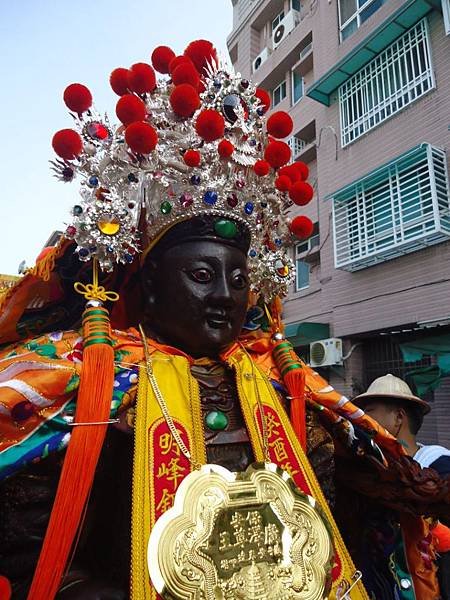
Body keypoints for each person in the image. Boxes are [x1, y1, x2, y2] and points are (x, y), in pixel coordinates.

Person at [0, 38, 448, 600]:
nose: (225, 297)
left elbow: (325, 518)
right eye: (201, 276)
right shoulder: (83, 380)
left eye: (239, 281)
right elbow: (26, 545)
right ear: (151, 286)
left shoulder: (283, 387)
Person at [353, 374, 450, 599]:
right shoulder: (371, 470)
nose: (362, 419)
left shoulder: (440, 467)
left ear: (398, 418)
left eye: (370, 411)